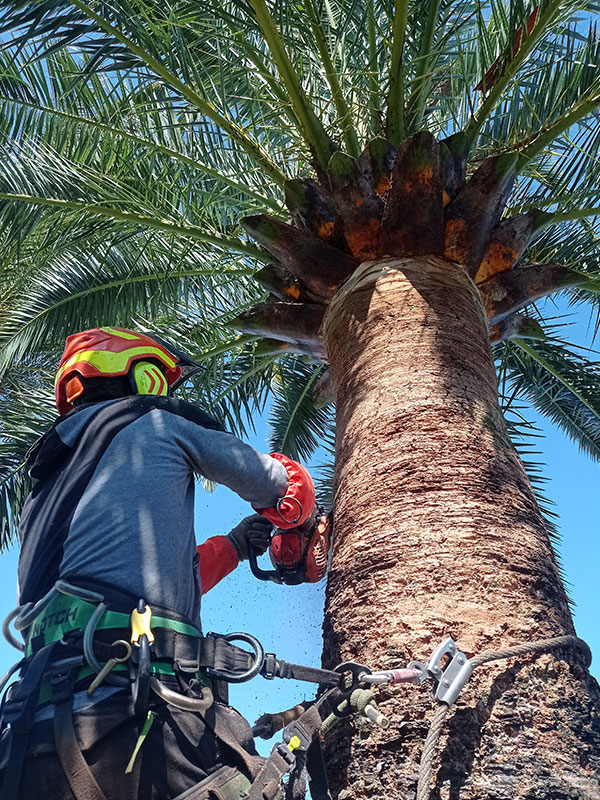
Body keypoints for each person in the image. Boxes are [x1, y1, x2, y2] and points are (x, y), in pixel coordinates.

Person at [0, 326, 318, 800]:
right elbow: (278, 486)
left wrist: (233, 546)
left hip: (29, 735)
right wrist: (298, 518)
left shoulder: (44, 491)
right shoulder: (159, 424)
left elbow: (135, 585)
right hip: (137, 720)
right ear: (144, 379)